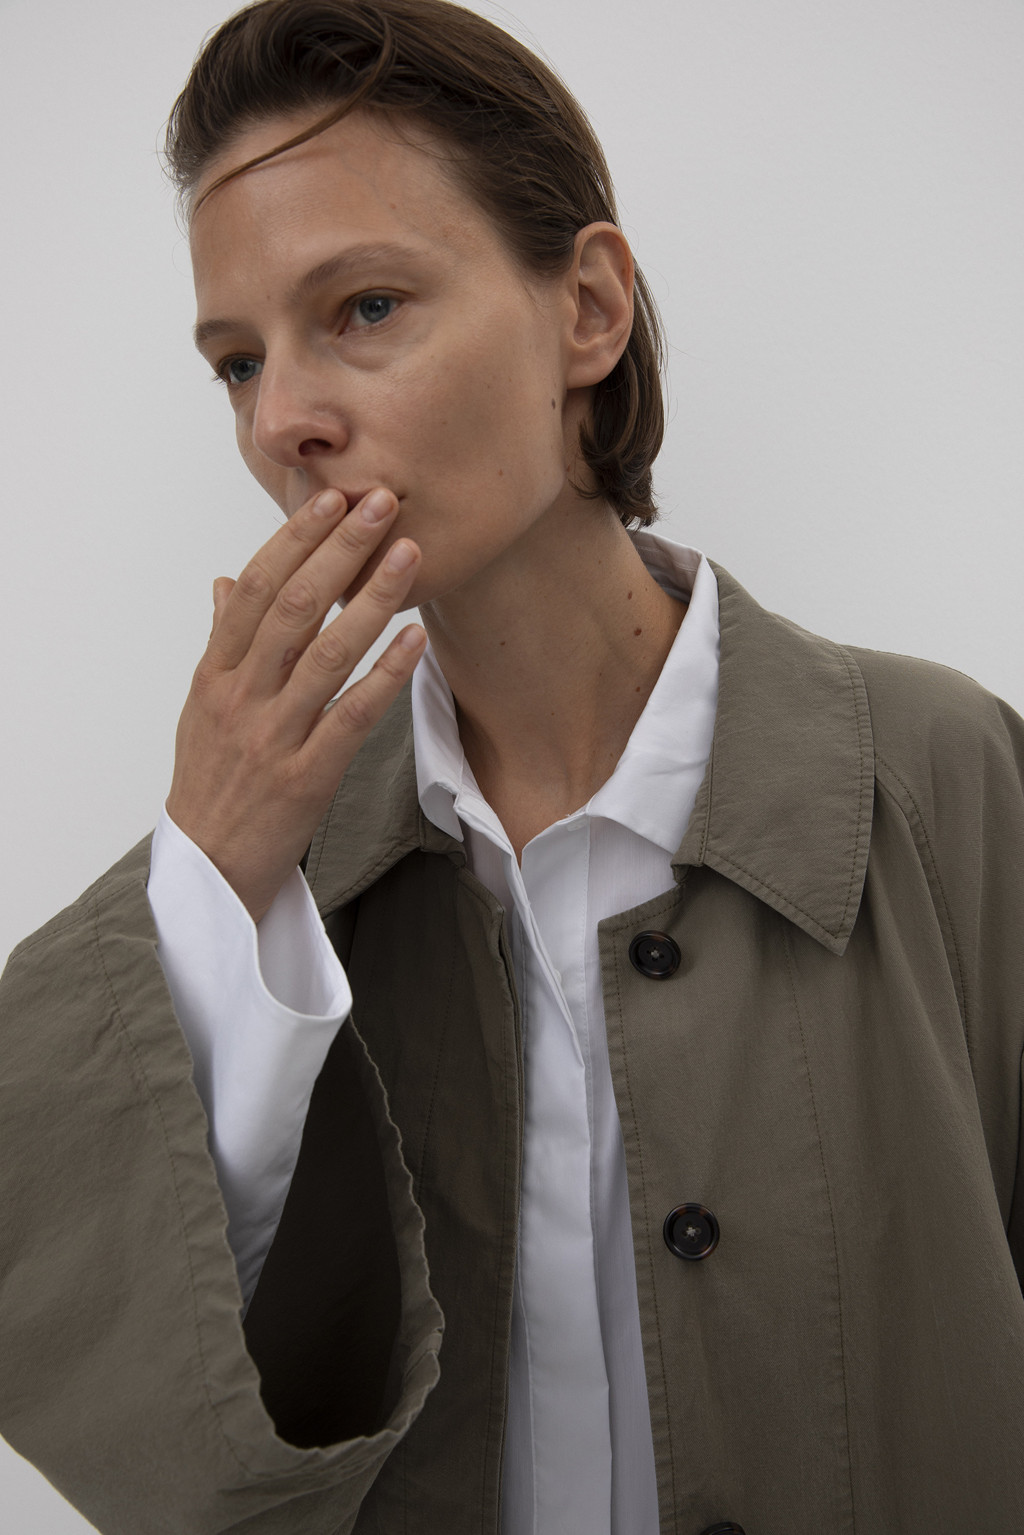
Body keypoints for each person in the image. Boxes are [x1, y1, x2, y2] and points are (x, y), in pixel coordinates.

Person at [1, 2, 1023, 1532]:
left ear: (587, 311)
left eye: (364, 307)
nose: (284, 421)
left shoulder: (946, 778)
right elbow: (129, 1406)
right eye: (236, 362)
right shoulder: (266, 863)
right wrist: (208, 881)